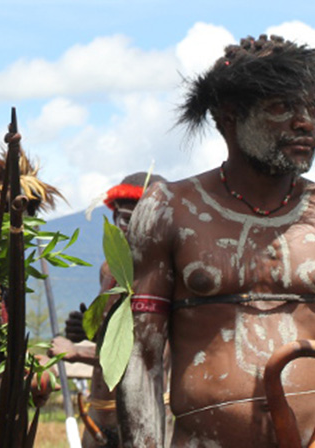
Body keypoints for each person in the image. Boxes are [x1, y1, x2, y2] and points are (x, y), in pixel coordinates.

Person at [118, 34, 315, 446]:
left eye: (312, 108)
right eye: (281, 108)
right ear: (228, 117)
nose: (305, 123)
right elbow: (142, 355)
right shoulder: (170, 208)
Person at [50, 172, 167, 448]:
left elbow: (144, 350)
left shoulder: (162, 276)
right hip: (100, 413)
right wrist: (87, 332)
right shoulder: (109, 269)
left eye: (129, 220)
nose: (121, 229)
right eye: (119, 219)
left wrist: (76, 351)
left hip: (142, 417)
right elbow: (114, 337)